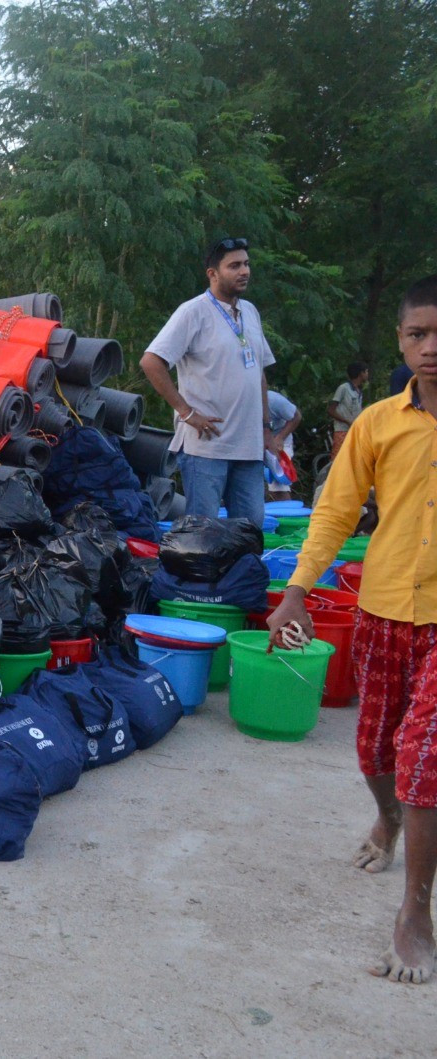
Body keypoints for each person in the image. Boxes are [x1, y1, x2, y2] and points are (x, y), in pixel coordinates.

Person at [268, 274, 437, 985]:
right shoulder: (376, 423)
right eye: (418, 334)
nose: (431, 348)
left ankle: (414, 910)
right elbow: (336, 510)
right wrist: (295, 593)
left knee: (423, 758)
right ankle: (387, 820)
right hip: (384, 608)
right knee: (374, 749)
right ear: (399, 341)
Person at [141, 237, 275, 528]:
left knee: (249, 532)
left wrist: (266, 428)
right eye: (234, 266)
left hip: (249, 447)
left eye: (247, 264)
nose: (244, 271)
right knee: (203, 536)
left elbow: (259, 373)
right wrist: (186, 412)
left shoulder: (250, 312)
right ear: (212, 274)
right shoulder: (193, 312)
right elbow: (151, 361)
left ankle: (242, 576)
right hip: (207, 448)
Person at [264, 388, 302, 499]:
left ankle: (286, 514)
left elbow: (297, 416)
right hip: (256, 441)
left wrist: (280, 438)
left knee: (278, 485)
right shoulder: (241, 400)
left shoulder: (273, 400)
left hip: (279, 440)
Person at [329, 362, 370, 456]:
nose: (367, 374)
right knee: (339, 458)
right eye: (366, 372)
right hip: (342, 430)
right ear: (361, 373)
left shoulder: (358, 391)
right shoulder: (344, 388)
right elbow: (331, 410)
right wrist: (346, 421)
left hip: (354, 430)